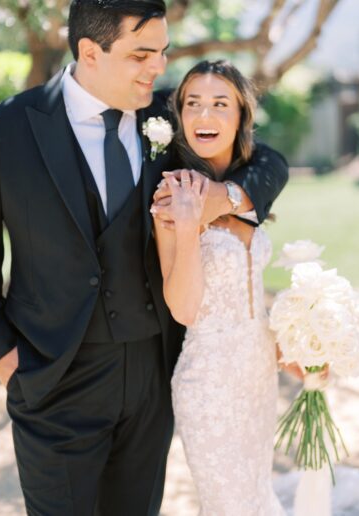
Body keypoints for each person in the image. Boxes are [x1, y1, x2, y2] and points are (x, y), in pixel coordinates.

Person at [0, 2, 288, 515]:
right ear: (89, 51)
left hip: (152, 373)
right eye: (142, 54)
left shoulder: (168, 113)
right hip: (52, 377)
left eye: (163, 52)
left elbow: (269, 161)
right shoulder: (6, 128)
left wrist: (226, 199)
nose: (158, 67)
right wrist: (5, 359)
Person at [153, 59, 290, 515]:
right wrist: (189, 226)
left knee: (256, 497)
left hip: (259, 373)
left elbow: (248, 295)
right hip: (209, 384)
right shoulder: (175, 193)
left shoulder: (248, 186)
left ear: (240, 117)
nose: (204, 116)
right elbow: (185, 309)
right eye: (193, 104)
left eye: (219, 104)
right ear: (179, 116)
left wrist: (296, 345)